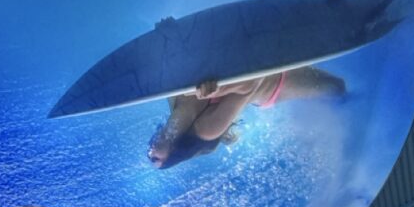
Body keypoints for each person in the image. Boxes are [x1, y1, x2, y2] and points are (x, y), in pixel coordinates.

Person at [148, 66, 346, 169]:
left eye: (148, 154)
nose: (150, 152)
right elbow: (254, 82)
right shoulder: (206, 130)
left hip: (261, 65)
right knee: (337, 88)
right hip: (276, 82)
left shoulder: (173, 98)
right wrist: (218, 89)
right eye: (155, 159)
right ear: (173, 154)